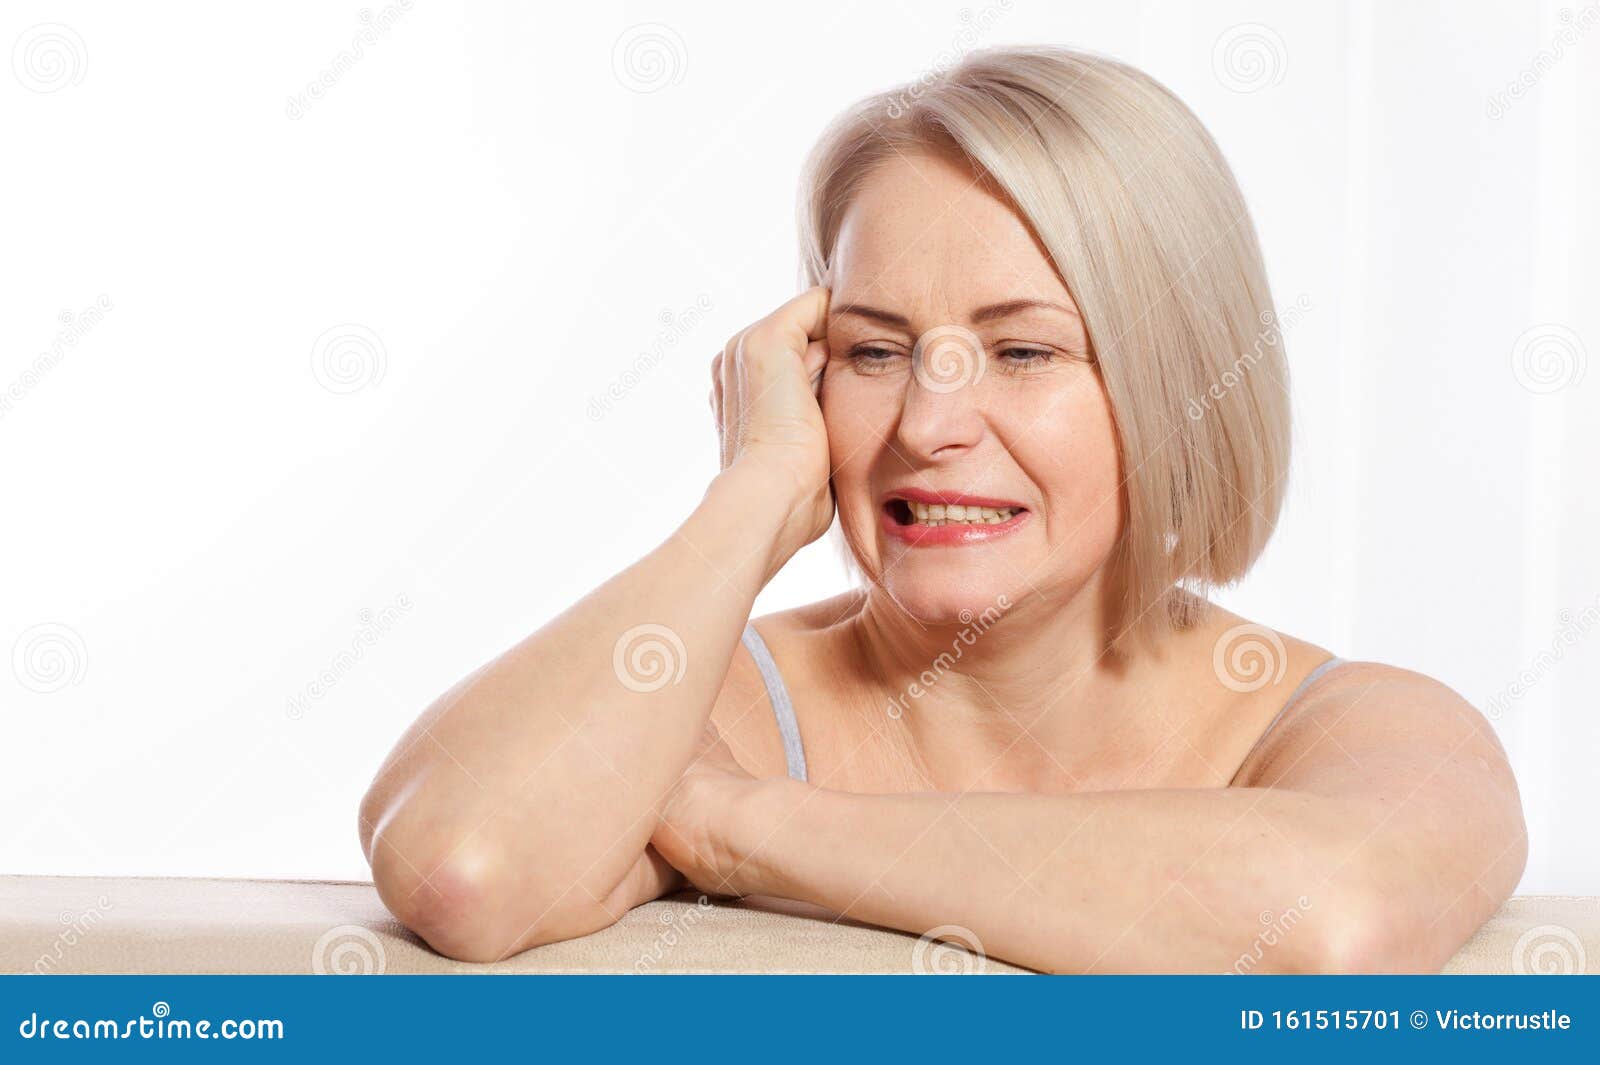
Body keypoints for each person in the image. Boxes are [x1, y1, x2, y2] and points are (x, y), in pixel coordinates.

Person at [358, 45, 1526, 973]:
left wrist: (740, 833)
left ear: (1176, 386)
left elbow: (1334, 922)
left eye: (1021, 350)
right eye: (873, 351)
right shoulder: (699, 703)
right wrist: (756, 490)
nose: (927, 425)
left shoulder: (1357, 728)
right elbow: (464, 864)